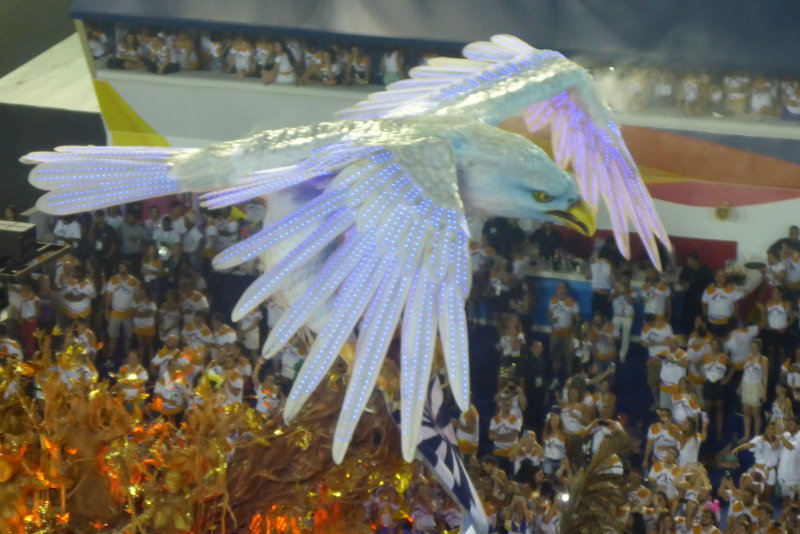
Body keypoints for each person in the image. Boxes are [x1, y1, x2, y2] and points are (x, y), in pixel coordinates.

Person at [104, 261, 140, 364]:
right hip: (115, 312)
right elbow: (109, 296)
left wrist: (134, 310)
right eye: (120, 267)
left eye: (123, 268)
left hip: (128, 313)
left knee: (127, 337)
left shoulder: (134, 281)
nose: (121, 270)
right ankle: (110, 358)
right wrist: (107, 310)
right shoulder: (113, 279)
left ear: (128, 269)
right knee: (112, 337)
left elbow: (137, 297)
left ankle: (126, 357)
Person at [700, 338, 732, 442]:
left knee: (719, 408)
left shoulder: (724, 357)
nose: (714, 347)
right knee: (706, 408)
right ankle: (705, 429)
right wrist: (702, 376)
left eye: (716, 344)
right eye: (712, 344)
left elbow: (733, 367)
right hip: (708, 383)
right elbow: (696, 364)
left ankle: (719, 431)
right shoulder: (705, 356)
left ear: (719, 346)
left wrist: (727, 379)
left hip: (719, 384)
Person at [547, 281, 580, 379]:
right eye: (558, 287)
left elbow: (578, 319)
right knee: (555, 357)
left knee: (569, 357)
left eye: (560, 287)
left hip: (568, 334)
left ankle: (569, 379)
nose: (558, 289)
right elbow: (549, 315)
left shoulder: (572, 303)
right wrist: (551, 319)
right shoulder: (552, 300)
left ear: (566, 290)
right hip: (555, 333)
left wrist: (576, 333)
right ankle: (555, 378)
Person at [641, 313, 674, 409]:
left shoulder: (666, 327)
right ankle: (657, 402)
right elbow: (643, 341)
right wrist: (645, 344)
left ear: (654, 321)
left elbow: (669, 341)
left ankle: (668, 405)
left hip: (664, 359)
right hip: (652, 359)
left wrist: (655, 343)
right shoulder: (646, 328)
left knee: (666, 382)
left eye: (650, 324)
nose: (648, 326)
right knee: (653, 383)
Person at [740, 340, 769, 442]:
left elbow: (765, 376)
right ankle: (746, 435)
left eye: (755, 347)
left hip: (757, 386)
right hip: (746, 385)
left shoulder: (763, 359)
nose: (753, 349)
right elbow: (745, 373)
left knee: (756, 413)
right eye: (752, 347)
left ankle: (756, 436)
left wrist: (764, 391)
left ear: (759, 348)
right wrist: (740, 386)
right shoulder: (747, 357)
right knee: (746, 412)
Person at [679, 252, 714, 333]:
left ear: (696, 261)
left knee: (699, 320)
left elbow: (711, 285)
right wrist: (683, 283)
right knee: (687, 320)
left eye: (690, 260)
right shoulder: (686, 269)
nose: (688, 262)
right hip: (688, 299)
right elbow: (680, 279)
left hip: (700, 299)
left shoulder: (706, 271)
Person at [702, 269, 741, 337]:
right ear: (715, 277)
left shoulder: (732, 289)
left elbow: (736, 305)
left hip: (727, 324)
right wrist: (706, 317)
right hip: (712, 324)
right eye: (718, 276)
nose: (720, 278)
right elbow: (704, 304)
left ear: (726, 277)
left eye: (723, 276)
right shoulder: (708, 289)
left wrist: (733, 319)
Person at [611, 276, 637, 362]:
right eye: (623, 279)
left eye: (626, 279)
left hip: (628, 317)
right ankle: (611, 352)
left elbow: (631, 302)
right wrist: (616, 293)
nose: (624, 281)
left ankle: (622, 356)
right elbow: (609, 299)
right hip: (617, 315)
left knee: (626, 336)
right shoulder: (616, 288)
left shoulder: (633, 289)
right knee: (612, 334)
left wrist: (626, 291)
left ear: (629, 280)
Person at [132, 287, 157, 364]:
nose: (140, 292)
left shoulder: (151, 301)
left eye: (141, 290)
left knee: (150, 345)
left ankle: (152, 364)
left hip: (148, 326)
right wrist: (143, 314)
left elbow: (151, 313)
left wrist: (139, 314)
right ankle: (139, 363)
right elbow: (133, 313)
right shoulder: (135, 301)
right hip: (138, 325)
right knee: (141, 344)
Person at [89, 210, 117, 276]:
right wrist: (92, 227)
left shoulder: (109, 229)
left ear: (102, 217)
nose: (95, 219)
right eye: (95, 217)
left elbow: (114, 242)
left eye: (97, 217)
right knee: (96, 272)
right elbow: (90, 239)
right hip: (96, 254)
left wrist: (110, 254)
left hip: (106, 255)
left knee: (107, 273)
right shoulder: (95, 228)